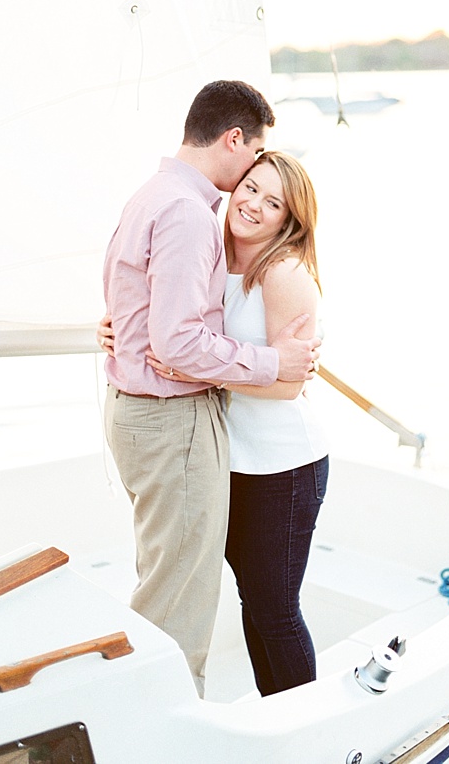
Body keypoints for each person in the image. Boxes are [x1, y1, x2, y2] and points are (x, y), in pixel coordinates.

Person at [101, 81, 320, 698]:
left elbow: (144, 309)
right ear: (233, 140)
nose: (251, 188)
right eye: (252, 169)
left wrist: (147, 341)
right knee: (180, 598)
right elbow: (177, 343)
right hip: (171, 423)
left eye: (271, 199)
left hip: (241, 447)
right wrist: (267, 360)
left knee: (190, 585)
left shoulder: (155, 196)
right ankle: (163, 724)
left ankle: (158, 714)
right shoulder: (189, 214)